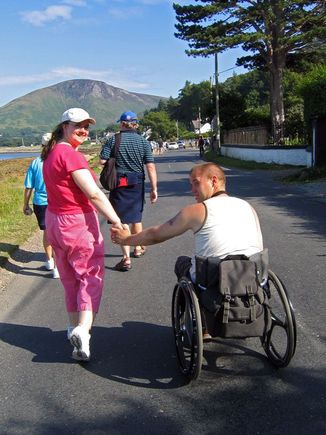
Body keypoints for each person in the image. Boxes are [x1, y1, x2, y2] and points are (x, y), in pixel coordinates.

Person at [42, 107, 122, 362]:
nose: (84, 130)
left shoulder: (51, 153)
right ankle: (83, 331)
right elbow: (94, 194)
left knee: (69, 280)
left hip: (54, 221)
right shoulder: (71, 156)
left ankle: (73, 328)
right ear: (64, 126)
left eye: (87, 126)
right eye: (78, 125)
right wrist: (116, 220)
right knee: (90, 276)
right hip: (76, 223)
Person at [111, 161, 263, 284]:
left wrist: (126, 239)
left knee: (182, 263)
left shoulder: (199, 210)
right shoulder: (248, 207)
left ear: (213, 181)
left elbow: (156, 235)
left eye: (196, 183)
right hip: (254, 275)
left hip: (215, 280)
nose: (192, 190)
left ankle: (189, 319)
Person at [99, 110, 158, 271]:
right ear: (136, 124)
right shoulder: (143, 142)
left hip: (119, 183)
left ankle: (126, 258)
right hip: (137, 183)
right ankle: (138, 248)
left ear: (121, 124)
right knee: (136, 218)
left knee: (121, 220)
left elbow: (102, 160)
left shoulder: (113, 140)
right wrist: (154, 188)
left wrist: (114, 160)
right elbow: (150, 166)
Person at [23, 133, 59, 279]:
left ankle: (49, 261)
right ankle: (57, 267)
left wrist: (25, 205)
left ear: (42, 145)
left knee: (47, 232)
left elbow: (28, 186)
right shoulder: (58, 159)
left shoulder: (35, 162)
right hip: (57, 201)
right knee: (56, 234)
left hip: (40, 202)